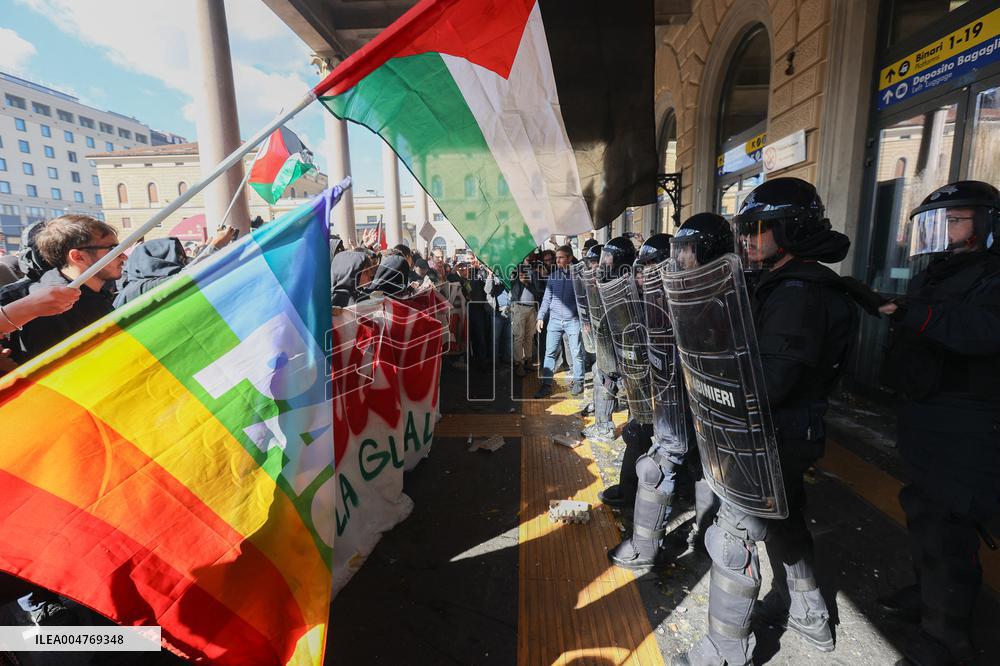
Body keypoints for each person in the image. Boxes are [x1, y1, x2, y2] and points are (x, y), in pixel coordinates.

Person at [677, 178, 858, 665]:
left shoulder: (798, 293)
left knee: (732, 539)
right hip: (789, 431)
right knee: (785, 520)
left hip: (771, 432)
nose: (747, 240)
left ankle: (723, 652)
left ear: (791, 231)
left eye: (760, 229)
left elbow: (772, 380)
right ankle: (811, 615)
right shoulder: (787, 282)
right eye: (746, 229)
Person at [877, 180, 1000, 666]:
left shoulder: (992, 276)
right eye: (942, 222)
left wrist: (917, 314)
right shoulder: (946, 270)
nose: (947, 231)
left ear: (987, 223)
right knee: (925, 513)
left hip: (967, 420)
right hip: (928, 411)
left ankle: (946, 636)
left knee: (949, 526)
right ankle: (929, 597)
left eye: (957, 220)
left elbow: (984, 331)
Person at [608, 224, 722, 569]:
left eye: (688, 253)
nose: (681, 260)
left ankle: (651, 546)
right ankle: (698, 536)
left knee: (671, 468)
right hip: (672, 397)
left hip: (699, 401)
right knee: (684, 466)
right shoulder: (673, 292)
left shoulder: (715, 296)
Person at [8, 215, 126, 364]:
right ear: (78, 257)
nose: (123, 256)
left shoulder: (98, 294)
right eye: (113, 249)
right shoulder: (49, 309)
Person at [534, 245, 585, 398]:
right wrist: (540, 317)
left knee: (576, 353)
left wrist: (586, 321)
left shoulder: (578, 277)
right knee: (549, 353)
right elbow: (546, 299)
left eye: (561, 257)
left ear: (570, 258)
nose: (558, 260)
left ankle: (578, 382)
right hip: (554, 321)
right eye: (557, 258)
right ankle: (546, 385)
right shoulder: (552, 277)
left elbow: (584, 300)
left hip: (573, 321)